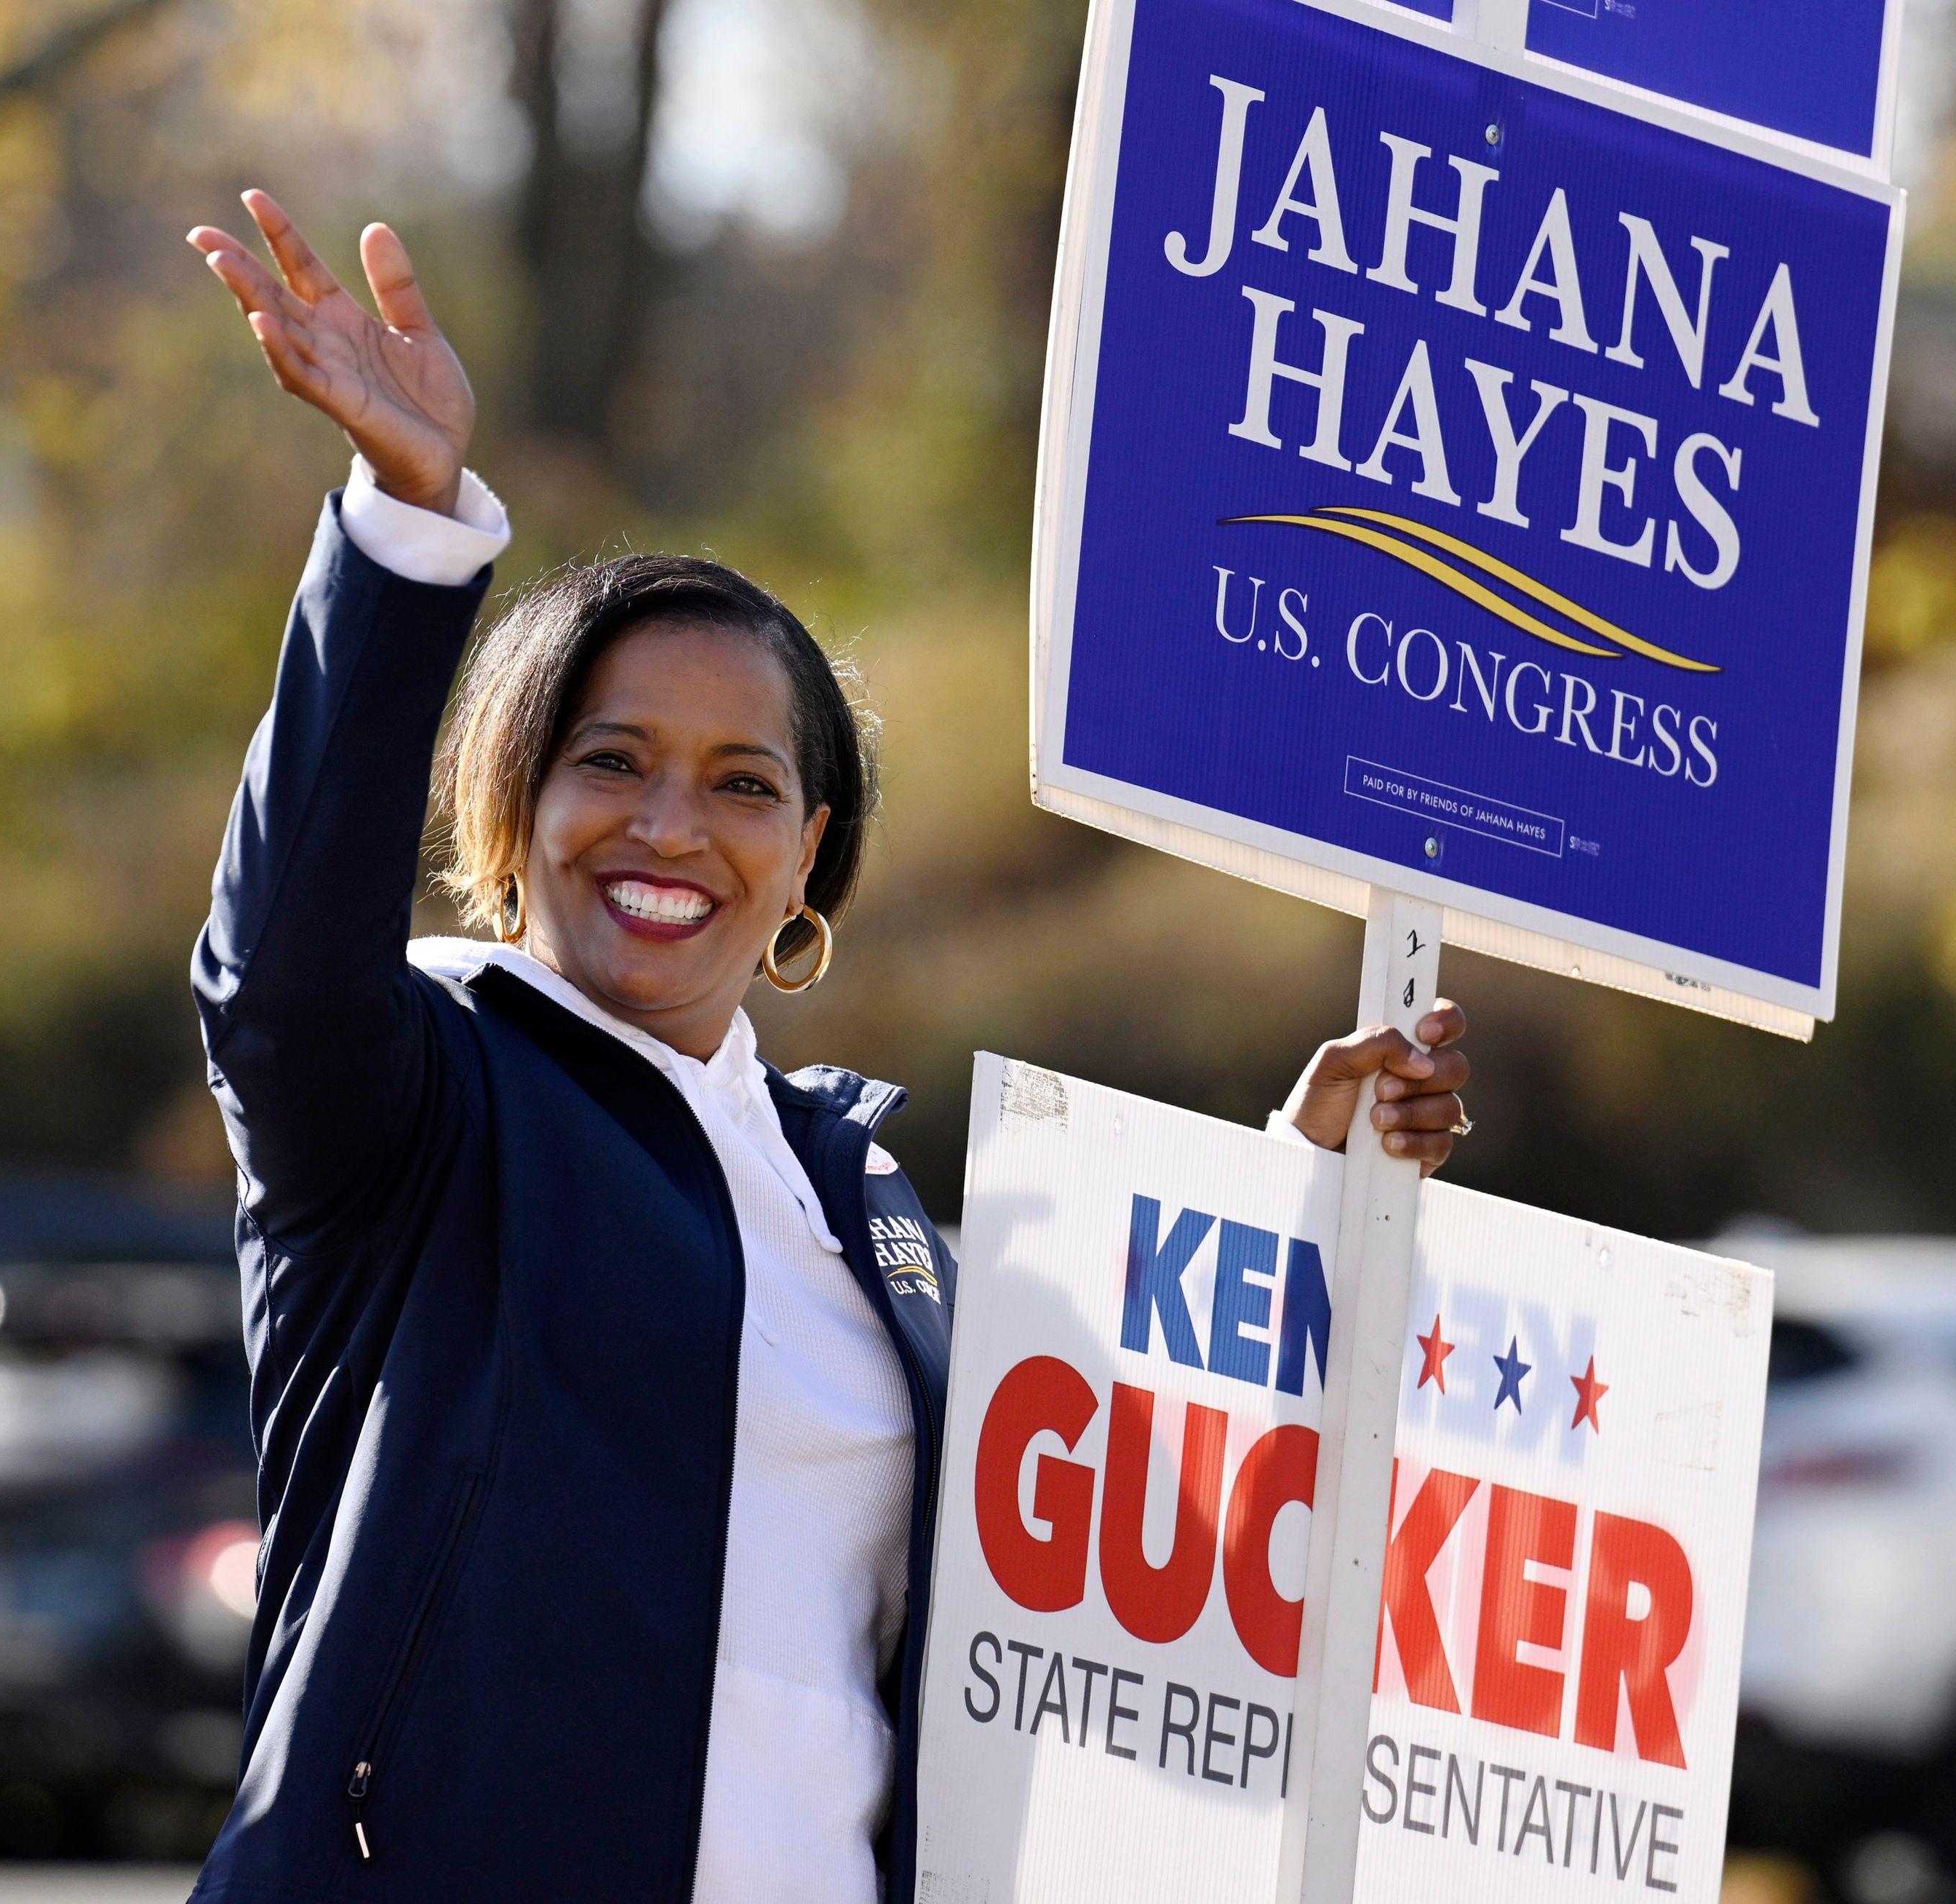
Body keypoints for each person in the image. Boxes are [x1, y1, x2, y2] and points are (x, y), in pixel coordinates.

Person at [180, 189, 1472, 1904]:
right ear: (510, 807)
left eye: (743, 784)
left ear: (809, 859)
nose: (669, 827)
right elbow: (277, 984)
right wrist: (406, 522)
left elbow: (1096, 1515)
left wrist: (1302, 1177)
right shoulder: (426, 1100)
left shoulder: (856, 1200)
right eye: (610, 760)